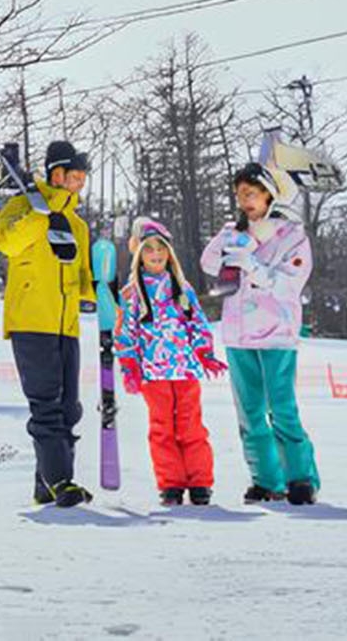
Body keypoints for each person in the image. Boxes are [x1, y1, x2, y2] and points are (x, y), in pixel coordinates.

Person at [201, 162, 321, 505]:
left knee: (281, 409)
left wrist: (252, 264)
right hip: (239, 334)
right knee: (250, 411)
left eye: (251, 193)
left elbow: (288, 285)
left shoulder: (292, 235)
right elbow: (209, 263)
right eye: (240, 194)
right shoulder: (234, 230)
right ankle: (266, 479)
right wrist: (239, 241)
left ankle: (300, 478)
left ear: (269, 193)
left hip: (276, 333)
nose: (245, 200)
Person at [0, 140, 96, 507]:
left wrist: (110, 296)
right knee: (47, 406)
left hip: (66, 326)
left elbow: (84, 281)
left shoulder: (78, 225)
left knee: (69, 408)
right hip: (31, 321)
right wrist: (42, 212)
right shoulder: (21, 207)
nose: (79, 185)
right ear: (57, 174)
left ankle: (47, 484)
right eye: (74, 177)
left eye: (83, 179)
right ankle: (62, 480)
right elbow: (9, 243)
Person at [114, 217, 226, 506]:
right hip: (154, 374)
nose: (155, 254)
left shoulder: (181, 288)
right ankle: (171, 484)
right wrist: (130, 366)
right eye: (149, 249)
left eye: (160, 248)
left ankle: (200, 482)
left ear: (168, 252)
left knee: (191, 426)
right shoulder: (132, 293)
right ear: (140, 253)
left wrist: (203, 351)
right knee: (162, 429)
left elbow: (198, 323)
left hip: (184, 370)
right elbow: (126, 332)